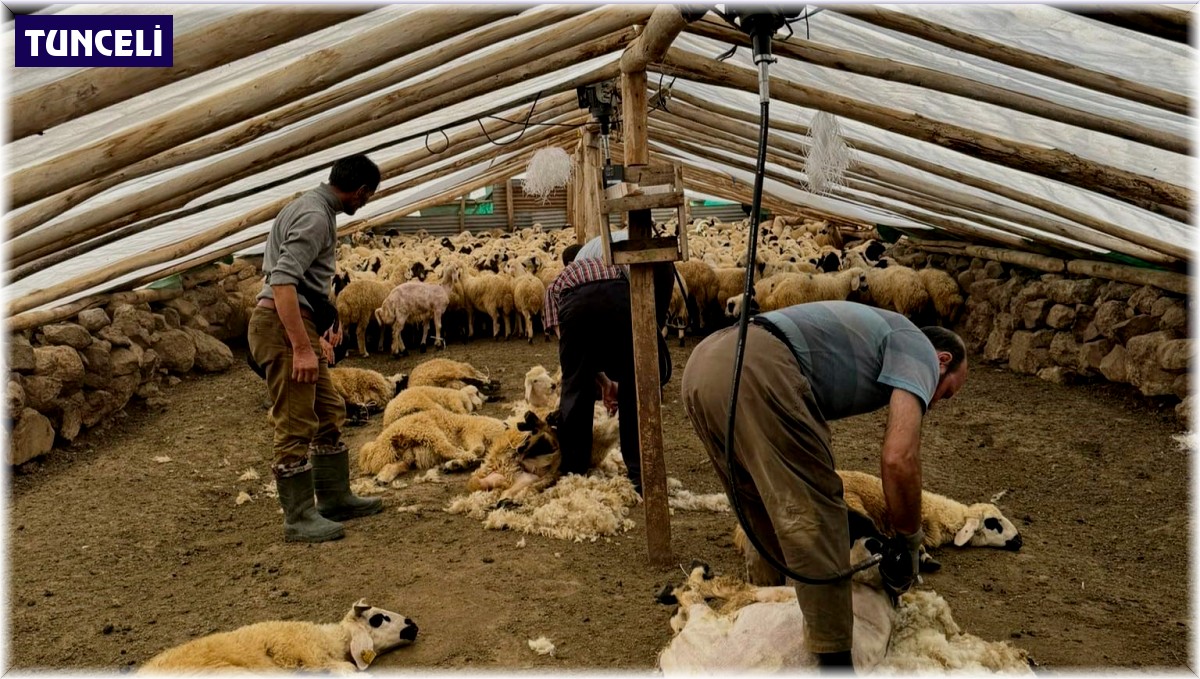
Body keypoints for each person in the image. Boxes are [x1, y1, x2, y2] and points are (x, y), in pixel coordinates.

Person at [679, 300, 968, 671]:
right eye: (946, 392)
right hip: (759, 364)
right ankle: (834, 664)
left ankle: (764, 622)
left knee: (762, 505)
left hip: (706, 365)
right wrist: (909, 542)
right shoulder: (918, 349)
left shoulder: (883, 330)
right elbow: (899, 458)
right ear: (942, 360)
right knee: (814, 520)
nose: (938, 401)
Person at [247, 154, 384, 544]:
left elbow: (299, 281)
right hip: (281, 325)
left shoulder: (306, 206)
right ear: (359, 191)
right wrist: (302, 347)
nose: (365, 203)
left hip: (296, 321)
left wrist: (317, 329)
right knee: (295, 419)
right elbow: (283, 281)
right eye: (367, 197)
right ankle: (299, 516)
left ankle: (334, 497)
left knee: (328, 408)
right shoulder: (314, 216)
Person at [543, 231, 674, 494]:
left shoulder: (556, 283)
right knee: (631, 383)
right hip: (620, 295)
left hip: (576, 305)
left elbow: (569, 349)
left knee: (575, 388)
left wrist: (591, 377)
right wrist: (609, 383)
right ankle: (640, 473)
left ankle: (573, 469)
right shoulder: (605, 260)